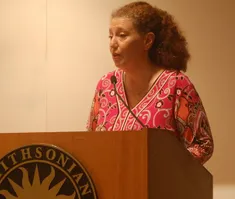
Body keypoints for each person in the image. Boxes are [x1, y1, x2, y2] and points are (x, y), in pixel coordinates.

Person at [86, 1, 214, 164]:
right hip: (111, 185)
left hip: (161, 186)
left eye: (122, 35)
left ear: (147, 41)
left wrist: (163, 167)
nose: (113, 44)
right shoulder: (106, 85)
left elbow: (203, 145)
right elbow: (90, 141)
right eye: (111, 36)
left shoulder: (176, 84)